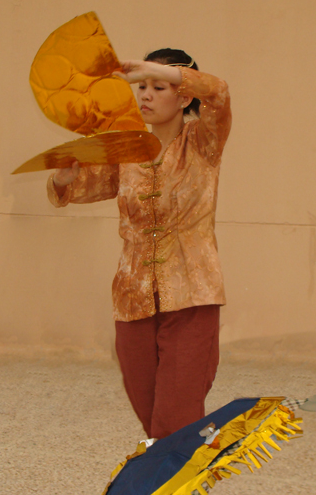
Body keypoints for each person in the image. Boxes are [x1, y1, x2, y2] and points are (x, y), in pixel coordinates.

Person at [47, 49, 231, 440]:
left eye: (158, 87)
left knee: (174, 420)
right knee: (154, 422)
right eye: (141, 86)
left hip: (192, 298)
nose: (145, 95)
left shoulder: (203, 142)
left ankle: (182, 478)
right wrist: (63, 180)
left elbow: (219, 93)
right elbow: (85, 187)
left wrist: (169, 71)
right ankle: (189, 469)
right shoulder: (128, 149)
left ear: (183, 95)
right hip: (132, 300)